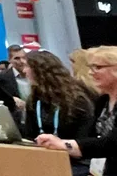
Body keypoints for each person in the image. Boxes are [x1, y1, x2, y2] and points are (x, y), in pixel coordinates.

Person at [37, 46, 117, 175]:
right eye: (91, 67)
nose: (91, 72)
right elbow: (93, 137)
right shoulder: (103, 101)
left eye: (98, 67)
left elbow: (112, 143)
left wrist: (66, 144)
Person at [17, 51, 95, 176]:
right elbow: (30, 134)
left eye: (27, 66)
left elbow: (84, 139)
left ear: (40, 70)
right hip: (43, 158)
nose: (24, 71)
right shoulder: (34, 99)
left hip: (75, 161)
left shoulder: (77, 99)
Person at [0, 44, 31, 110]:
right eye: (17, 58)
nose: (22, 61)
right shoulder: (1, 78)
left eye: (24, 57)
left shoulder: (37, 74)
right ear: (9, 60)